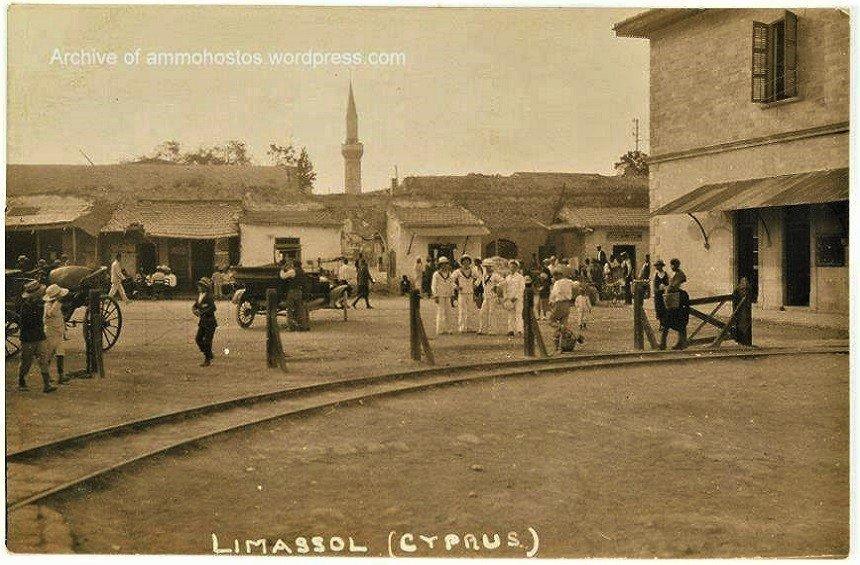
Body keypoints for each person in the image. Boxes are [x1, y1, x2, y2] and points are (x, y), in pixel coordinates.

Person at [17, 280, 57, 393]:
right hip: (29, 338)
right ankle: (21, 381)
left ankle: (46, 385)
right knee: (26, 362)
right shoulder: (25, 308)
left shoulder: (38, 305)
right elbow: (27, 323)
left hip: (38, 337)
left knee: (43, 360)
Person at [43, 283, 71, 385]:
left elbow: (59, 318)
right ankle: (48, 376)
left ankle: (61, 375)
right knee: (48, 355)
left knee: (60, 353)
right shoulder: (48, 306)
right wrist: (58, 302)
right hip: (50, 333)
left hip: (58, 333)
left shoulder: (55, 305)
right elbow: (51, 313)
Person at [660, 258, 690, 350]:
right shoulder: (675, 274)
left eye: (673, 265)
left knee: (678, 322)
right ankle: (664, 343)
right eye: (671, 265)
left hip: (678, 300)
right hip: (672, 301)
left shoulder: (680, 274)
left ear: (677, 265)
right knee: (668, 322)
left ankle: (680, 343)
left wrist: (666, 287)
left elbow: (674, 286)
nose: (672, 266)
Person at [192, 277, 217, 366]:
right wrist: (194, 310)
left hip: (210, 322)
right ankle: (208, 353)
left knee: (207, 341)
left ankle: (207, 359)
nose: (198, 287)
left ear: (205, 287)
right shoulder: (200, 295)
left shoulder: (209, 296)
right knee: (198, 339)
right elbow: (195, 305)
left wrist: (201, 312)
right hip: (202, 322)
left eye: (200, 286)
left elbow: (213, 308)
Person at [451, 254, 478, 332]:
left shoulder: (473, 271)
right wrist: (456, 287)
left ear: (470, 262)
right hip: (462, 293)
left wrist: (475, 284)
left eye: (468, 261)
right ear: (462, 262)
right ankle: (462, 328)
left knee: (470, 310)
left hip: (470, 292)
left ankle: (469, 327)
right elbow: (451, 280)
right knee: (462, 310)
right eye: (464, 261)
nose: (466, 263)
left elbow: (479, 278)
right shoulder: (458, 271)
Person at [431, 257, 455, 335]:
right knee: (440, 312)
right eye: (443, 264)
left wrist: (452, 294)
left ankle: (449, 329)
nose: (445, 266)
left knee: (449, 312)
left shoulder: (449, 274)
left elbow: (451, 284)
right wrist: (435, 295)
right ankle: (440, 329)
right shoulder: (436, 274)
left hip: (447, 295)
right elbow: (433, 285)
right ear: (440, 265)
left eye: (446, 264)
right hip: (440, 295)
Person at [478, 261, 503, 335]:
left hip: (493, 297)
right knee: (482, 313)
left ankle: (493, 330)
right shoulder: (484, 275)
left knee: (492, 313)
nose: (487, 268)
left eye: (489, 267)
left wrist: (496, 286)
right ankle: (482, 329)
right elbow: (483, 285)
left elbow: (503, 281)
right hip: (486, 297)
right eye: (486, 267)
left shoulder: (495, 275)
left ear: (492, 267)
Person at [504, 259, 526, 336]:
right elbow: (505, 288)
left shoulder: (520, 277)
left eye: (514, 267)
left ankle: (519, 330)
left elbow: (522, 288)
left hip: (518, 299)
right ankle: (510, 330)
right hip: (509, 298)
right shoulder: (507, 278)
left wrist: (516, 297)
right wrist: (506, 297)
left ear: (517, 268)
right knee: (510, 314)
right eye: (511, 267)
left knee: (518, 314)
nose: (512, 268)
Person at [652, 258, 670, 333]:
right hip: (657, 294)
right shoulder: (655, 274)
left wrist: (665, 288)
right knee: (658, 308)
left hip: (664, 294)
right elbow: (653, 285)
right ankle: (661, 324)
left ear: (661, 266)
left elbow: (669, 283)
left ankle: (664, 324)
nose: (657, 267)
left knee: (664, 308)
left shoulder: (666, 274)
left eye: (658, 265)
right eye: (656, 266)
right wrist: (654, 291)